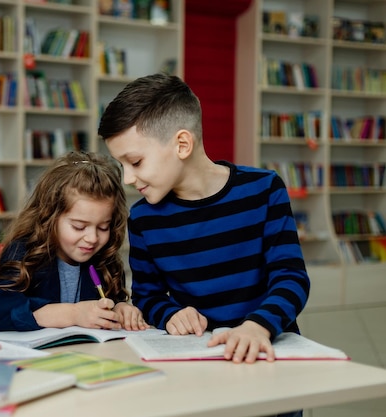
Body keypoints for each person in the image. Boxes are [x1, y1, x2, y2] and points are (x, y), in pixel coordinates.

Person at [98, 73, 310, 366]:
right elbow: (148, 297)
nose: (128, 179)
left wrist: (256, 327)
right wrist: (171, 313)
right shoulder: (144, 218)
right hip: (202, 361)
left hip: (267, 355)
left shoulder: (264, 190)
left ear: (182, 144)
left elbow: (291, 278)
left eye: (135, 162)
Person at [0, 151, 148, 332]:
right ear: (50, 217)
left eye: (103, 227)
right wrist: (73, 314)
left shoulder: (104, 259)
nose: (92, 238)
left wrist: (119, 309)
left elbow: (110, 303)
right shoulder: (24, 252)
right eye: (79, 226)